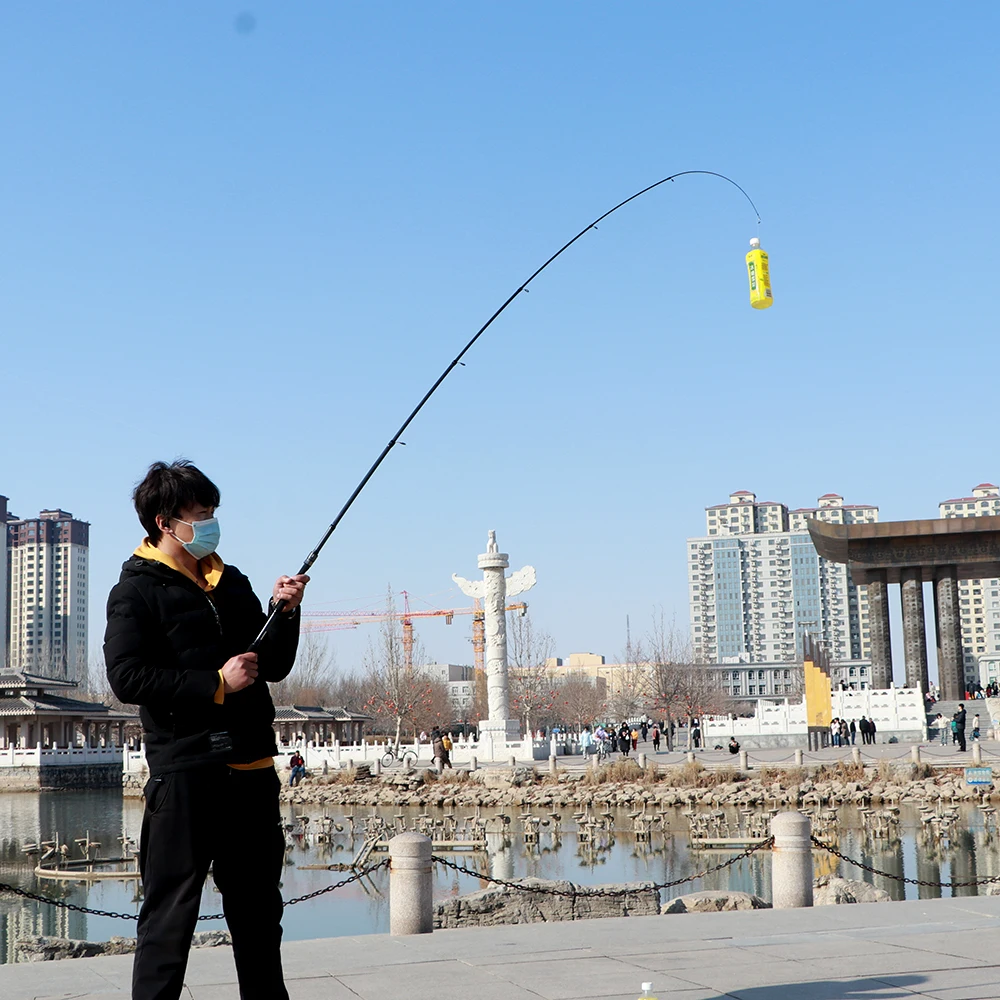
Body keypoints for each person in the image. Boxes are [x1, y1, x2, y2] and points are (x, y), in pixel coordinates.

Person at [104, 460, 307, 1000]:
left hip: (252, 769)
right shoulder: (135, 591)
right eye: (201, 514)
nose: (211, 524)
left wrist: (285, 613)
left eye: (213, 512)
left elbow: (270, 665)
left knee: (260, 916)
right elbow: (127, 678)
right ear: (165, 522)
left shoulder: (231, 581)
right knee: (169, 921)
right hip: (187, 774)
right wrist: (216, 683)